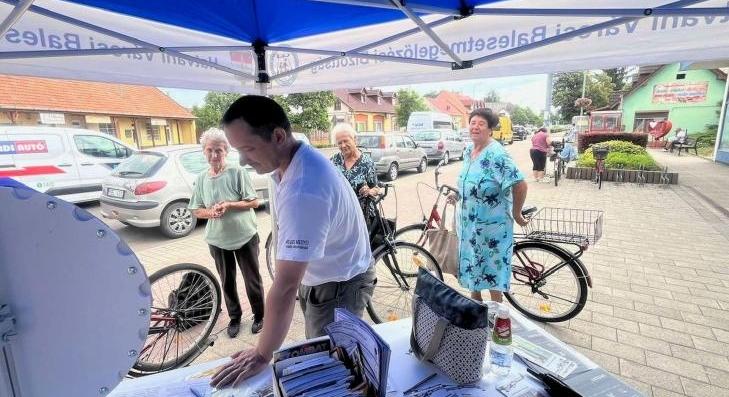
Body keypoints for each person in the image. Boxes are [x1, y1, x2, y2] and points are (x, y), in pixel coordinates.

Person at [211, 95, 375, 388]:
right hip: (331, 276)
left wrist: (262, 354)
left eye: (247, 148)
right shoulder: (290, 156)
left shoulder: (304, 187)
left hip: (339, 284)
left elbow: (285, 286)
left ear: (277, 136)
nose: (243, 160)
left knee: (335, 370)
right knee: (326, 355)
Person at [188, 129, 265, 338]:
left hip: (244, 235)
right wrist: (210, 212)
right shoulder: (201, 178)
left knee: (252, 279)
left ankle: (260, 315)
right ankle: (235, 317)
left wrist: (229, 204)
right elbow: (195, 209)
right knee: (226, 280)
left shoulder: (237, 172)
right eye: (210, 150)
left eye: (219, 151)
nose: (214, 155)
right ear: (204, 152)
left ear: (227, 151)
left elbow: (254, 201)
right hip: (217, 239)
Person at [449, 108, 528, 304]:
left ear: (490, 129)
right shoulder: (469, 151)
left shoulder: (497, 154)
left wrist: (517, 213)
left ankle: (496, 311)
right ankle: (476, 305)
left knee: (492, 268)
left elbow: (520, 184)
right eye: (472, 122)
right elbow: (470, 181)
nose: (475, 127)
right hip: (470, 226)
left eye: (481, 124)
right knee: (473, 263)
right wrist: (458, 194)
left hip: (492, 227)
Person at [329, 123, 380, 226]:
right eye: (339, 143)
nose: (343, 145)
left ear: (354, 140)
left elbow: (376, 188)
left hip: (362, 216)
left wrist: (369, 191)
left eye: (346, 141)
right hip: (340, 216)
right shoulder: (334, 161)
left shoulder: (366, 162)